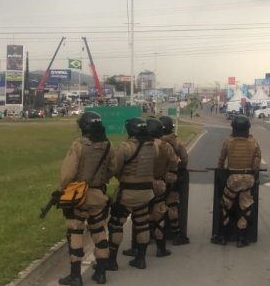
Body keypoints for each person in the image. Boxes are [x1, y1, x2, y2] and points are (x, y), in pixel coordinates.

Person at [56, 111, 115, 286]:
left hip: (79, 196)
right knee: (99, 231)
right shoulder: (108, 145)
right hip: (98, 195)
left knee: (75, 232)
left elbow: (67, 174)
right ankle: (101, 272)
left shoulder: (78, 146)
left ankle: (76, 275)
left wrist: (61, 190)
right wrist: (102, 181)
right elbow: (113, 168)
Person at [122, 118, 179, 259]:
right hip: (159, 184)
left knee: (139, 217)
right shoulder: (166, 146)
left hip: (142, 184)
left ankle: (136, 248)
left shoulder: (143, 145)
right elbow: (173, 164)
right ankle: (161, 248)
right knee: (159, 215)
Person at [106, 117, 157, 271]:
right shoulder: (153, 147)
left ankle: (112, 261)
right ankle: (140, 259)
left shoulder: (126, 147)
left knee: (116, 224)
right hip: (146, 193)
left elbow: (114, 167)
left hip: (127, 193)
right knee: (142, 224)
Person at [212, 114, 261, 247]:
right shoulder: (254, 142)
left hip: (232, 179)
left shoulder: (228, 141)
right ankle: (242, 238)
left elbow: (221, 160)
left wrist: (221, 171)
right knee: (245, 209)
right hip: (248, 179)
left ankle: (222, 236)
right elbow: (256, 163)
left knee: (226, 207)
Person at [159, 115, 191, 245]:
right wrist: (180, 169)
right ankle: (177, 234)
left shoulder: (155, 142)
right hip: (171, 177)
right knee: (172, 205)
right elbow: (184, 159)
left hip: (156, 178)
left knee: (154, 205)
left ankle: (153, 232)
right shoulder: (176, 142)